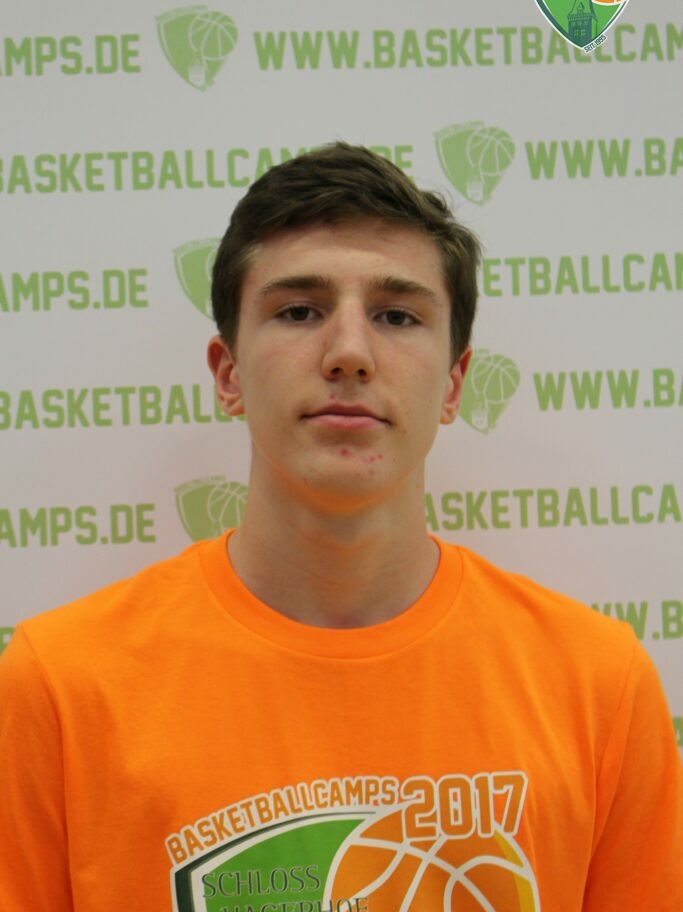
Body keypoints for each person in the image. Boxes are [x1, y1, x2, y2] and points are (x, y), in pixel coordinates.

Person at [0, 143, 681, 912]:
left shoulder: (598, 688)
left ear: (453, 383)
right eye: (299, 311)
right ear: (228, 374)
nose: (349, 353)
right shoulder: (61, 688)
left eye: (396, 316)